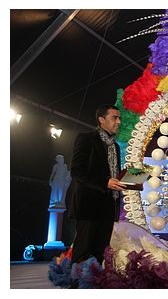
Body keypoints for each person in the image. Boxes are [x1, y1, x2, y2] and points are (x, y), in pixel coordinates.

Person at [68, 104, 126, 267]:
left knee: (100, 252)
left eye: (119, 118)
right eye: (114, 117)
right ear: (102, 120)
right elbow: (77, 171)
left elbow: (112, 174)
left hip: (108, 206)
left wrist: (124, 182)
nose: (119, 121)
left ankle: (93, 285)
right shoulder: (86, 139)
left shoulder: (114, 146)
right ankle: (78, 286)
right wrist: (105, 182)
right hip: (88, 206)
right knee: (83, 252)